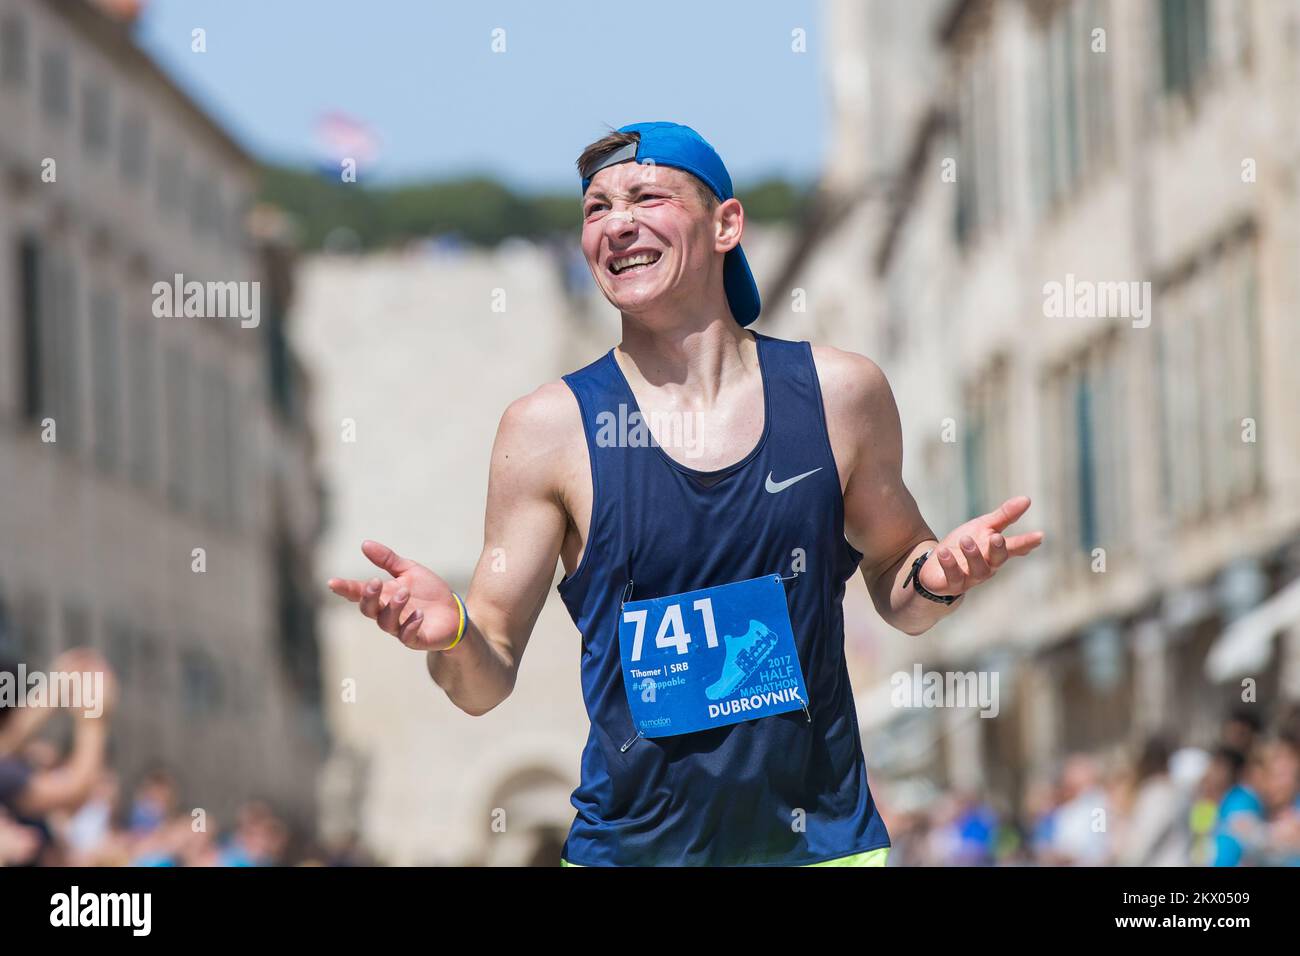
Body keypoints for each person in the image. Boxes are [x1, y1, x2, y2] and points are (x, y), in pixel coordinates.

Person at [328, 122, 1043, 866]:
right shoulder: (548, 431)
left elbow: (901, 583)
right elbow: (482, 680)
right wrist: (450, 634)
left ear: (727, 223)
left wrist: (937, 575)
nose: (618, 223)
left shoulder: (839, 394)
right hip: (632, 851)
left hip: (822, 848)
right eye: (596, 208)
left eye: (646, 196)